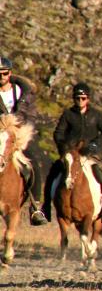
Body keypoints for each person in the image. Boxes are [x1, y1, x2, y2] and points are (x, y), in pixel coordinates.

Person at [42, 82, 102, 223]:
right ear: (73, 99)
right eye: (77, 98)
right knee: (53, 173)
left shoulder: (96, 115)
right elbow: (58, 133)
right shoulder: (68, 114)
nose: (80, 101)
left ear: (88, 99)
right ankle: (45, 208)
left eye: (83, 98)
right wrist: (64, 149)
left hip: (89, 154)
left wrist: (95, 145)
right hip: (71, 153)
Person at [0, 56, 47, 225]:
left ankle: (36, 206)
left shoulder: (22, 92)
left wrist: (24, 131)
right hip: (0, 134)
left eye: (4, 73)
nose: (1, 77)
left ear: (10, 73)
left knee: (34, 160)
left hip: (20, 134)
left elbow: (32, 114)